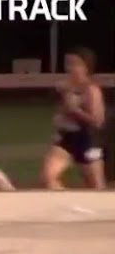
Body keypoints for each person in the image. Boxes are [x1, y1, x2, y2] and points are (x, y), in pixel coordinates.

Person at [42, 46, 106, 190]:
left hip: (88, 140)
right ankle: (63, 204)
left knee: (96, 188)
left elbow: (97, 121)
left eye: (75, 64)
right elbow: (63, 112)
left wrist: (76, 111)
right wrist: (61, 117)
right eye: (68, 64)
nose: (70, 68)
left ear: (86, 67)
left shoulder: (91, 90)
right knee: (48, 177)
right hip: (66, 139)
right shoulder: (66, 87)